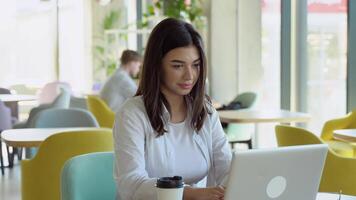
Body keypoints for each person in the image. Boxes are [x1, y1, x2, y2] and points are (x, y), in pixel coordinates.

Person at [114, 18, 232, 200]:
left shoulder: (205, 111)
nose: (189, 75)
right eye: (177, 66)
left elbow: (227, 168)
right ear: (157, 66)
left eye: (196, 65)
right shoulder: (132, 113)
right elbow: (132, 183)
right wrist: (191, 194)